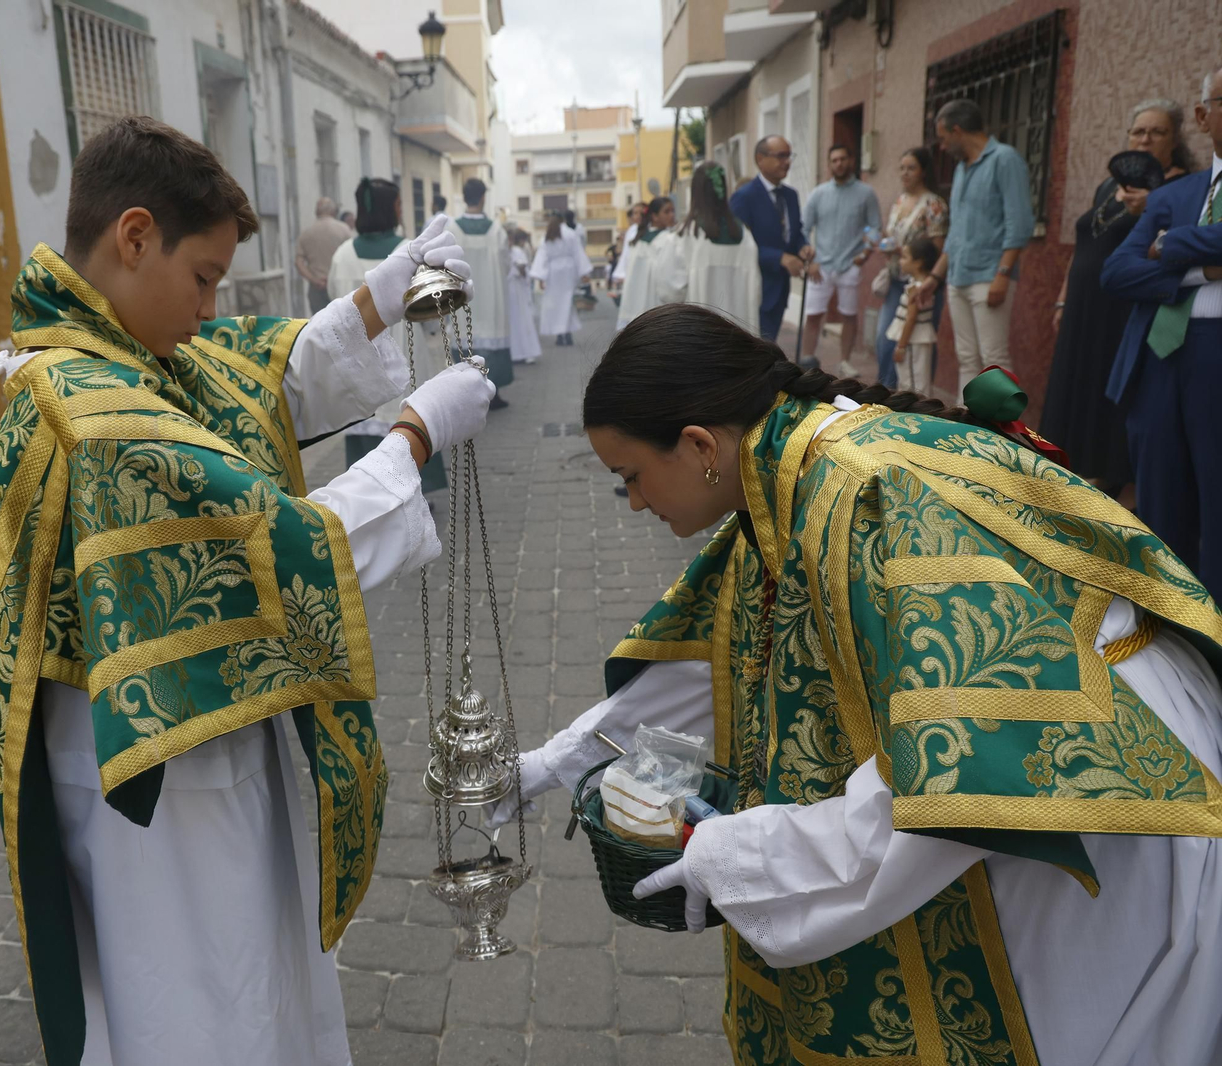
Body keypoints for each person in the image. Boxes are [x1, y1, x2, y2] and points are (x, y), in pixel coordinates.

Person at [492, 302, 1222, 1066]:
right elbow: (725, 654)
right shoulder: (777, 476)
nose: (636, 502)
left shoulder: (857, 493)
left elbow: (961, 759)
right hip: (1039, 746)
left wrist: (743, 855)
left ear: (699, 444)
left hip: (1104, 782)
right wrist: (555, 762)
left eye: (632, 477)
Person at [0, 117, 495, 1065]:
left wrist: (374, 303)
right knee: (205, 996)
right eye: (204, 277)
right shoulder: (89, 405)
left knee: (251, 973)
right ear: (135, 238)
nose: (212, 308)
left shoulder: (120, 348)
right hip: (163, 781)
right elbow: (274, 543)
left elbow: (249, 380)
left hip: (193, 730)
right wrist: (412, 438)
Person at [1103, 65, 1222, 597]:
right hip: (1157, 356)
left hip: (1215, 357)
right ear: (1203, 114)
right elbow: (1118, 271)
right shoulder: (1177, 194)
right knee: (1158, 499)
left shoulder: (1171, 211)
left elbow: (1156, 251)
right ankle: (1163, 616)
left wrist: (1173, 246)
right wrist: (1202, 268)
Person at [1042, 99, 1193, 503]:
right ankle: (1071, 463)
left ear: (1175, 138)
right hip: (1082, 304)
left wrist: (1149, 210)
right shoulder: (1111, 183)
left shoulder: (1181, 185)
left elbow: (1170, 250)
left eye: (1156, 132)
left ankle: (1109, 477)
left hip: (1123, 307)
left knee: (1108, 385)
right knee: (1076, 378)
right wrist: (1061, 298)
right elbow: (1084, 242)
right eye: (1138, 131)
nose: (1145, 139)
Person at [326, 176, 448, 491]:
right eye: (398, 204)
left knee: (365, 436)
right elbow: (429, 313)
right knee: (405, 426)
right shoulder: (406, 252)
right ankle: (413, 495)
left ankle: (367, 500)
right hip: (405, 360)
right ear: (390, 209)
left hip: (356, 365)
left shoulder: (341, 255)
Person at [918, 99, 1035, 390]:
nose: (942, 147)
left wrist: (1003, 276)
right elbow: (956, 232)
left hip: (989, 277)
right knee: (967, 357)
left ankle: (1001, 429)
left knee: (993, 358)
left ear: (957, 130)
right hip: (957, 278)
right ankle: (967, 424)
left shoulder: (1004, 159)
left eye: (943, 139)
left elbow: (1019, 224)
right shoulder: (961, 169)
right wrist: (935, 277)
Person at [799, 143, 881, 375]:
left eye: (842, 159)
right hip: (821, 266)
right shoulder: (818, 193)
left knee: (849, 315)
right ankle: (806, 361)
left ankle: (844, 361)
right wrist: (808, 257)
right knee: (813, 314)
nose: (839, 164)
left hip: (850, 265)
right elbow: (803, 229)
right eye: (834, 160)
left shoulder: (866, 193)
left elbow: (875, 227)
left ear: (851, 161)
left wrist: (864, 255)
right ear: (829, 164)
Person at [872, 147, 949, 389]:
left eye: (911, 168)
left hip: (920, 283)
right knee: (885, 339)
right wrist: (886, 245)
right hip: (896, 279)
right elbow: (890, 233)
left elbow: (936, 248)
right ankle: (886, 394)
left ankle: (917, 400)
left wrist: (905, 252)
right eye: (902, 168)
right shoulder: (900, 200)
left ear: (923, 171)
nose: (905, 173)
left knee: (918, 347)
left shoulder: (934, 204)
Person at [731, 135, 810, 341]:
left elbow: (795, 232)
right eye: (781, 156)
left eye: (789, 155)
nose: (787, 161)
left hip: (780, 290)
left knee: (769, 348)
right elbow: (738, 247)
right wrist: (779, 258)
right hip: (755, 288)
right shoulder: (744, 197)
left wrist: (803, 247)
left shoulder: (791, 195)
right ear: (760, 159)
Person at [448, 177, 513, 408]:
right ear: (483, 197)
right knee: (491, 340)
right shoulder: (496, 230)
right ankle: (491, 394)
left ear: (465, 197)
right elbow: (506, 264)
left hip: (462, 299)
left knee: (464, 339)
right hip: (491, 298)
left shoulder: (452, 228)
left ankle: (466, 396)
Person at [676, 161, 761, 335]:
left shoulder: (689, 232)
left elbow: (672, 288)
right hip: (741, 333)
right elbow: (756, 290)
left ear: (696, 191)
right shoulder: (744, 233)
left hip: (702, 333)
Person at [614, 196, 679, 332]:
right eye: (667, 212)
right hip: (656, 303)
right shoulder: (668, 240)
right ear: (654, 216)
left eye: (673, 211)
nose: (672, 215)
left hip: (638, 305)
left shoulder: (640, 238)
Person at [885, 236, 940, 391]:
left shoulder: (916, 289)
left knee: (911, 384)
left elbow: (910, 318)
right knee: (916, 381)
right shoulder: (921, 285)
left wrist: (901, 346)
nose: (901, 261)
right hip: (916, 340)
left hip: (912, 342)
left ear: (918, 262)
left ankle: (916, 413)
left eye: (904, 257)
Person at [530, 212, 586, 346]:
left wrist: (540, 278)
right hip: (568, 271)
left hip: (553, 272)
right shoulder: (571, 234)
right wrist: (583, 272)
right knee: (567, 303)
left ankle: (560, 335)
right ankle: (568, 334)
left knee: (556, 304)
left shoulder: (547, 235)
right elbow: (578, 253)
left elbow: (542, 257)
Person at [293, 196, 351, 314]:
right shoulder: (344, 230)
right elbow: (350, 257)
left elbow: (298, 263)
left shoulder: (306, 233)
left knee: (320, 326)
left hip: (317, 289)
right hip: (339, 286)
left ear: (316, 212)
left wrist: (314, 280)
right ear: (333, 211)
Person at [506, 227, 542, 365]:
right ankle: (513, 353)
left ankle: (527, 352)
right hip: (507, 291)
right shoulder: (500, 253)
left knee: (523, 320)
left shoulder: (518, 251)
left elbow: (526, 273)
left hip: (518, 290)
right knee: (511, 323)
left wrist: (520, 270)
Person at [612, 200, 647, 294]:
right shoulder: (631, 231)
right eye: (635, 213)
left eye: (641, 212)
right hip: (631, 272)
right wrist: (621, 273)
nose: (638, 215)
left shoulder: (648, 230)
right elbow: (626, 255)